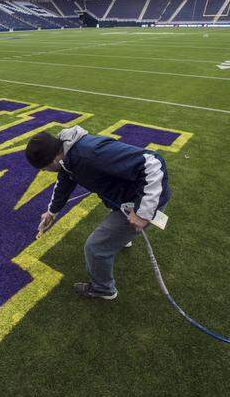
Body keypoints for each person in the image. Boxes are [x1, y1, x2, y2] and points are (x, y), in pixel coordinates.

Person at [25, 126, 170, 300]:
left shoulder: (88, 153)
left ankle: (103, 289)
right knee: (112, 234)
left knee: (95, 248)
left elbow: (153, 162)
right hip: (126, 200)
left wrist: (142, 212)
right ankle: (122, 239)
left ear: (53, 160)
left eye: (43, 168)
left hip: (144, 201)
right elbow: (64, 184)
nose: (44, 172)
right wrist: (51, 212)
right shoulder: (67, 157)